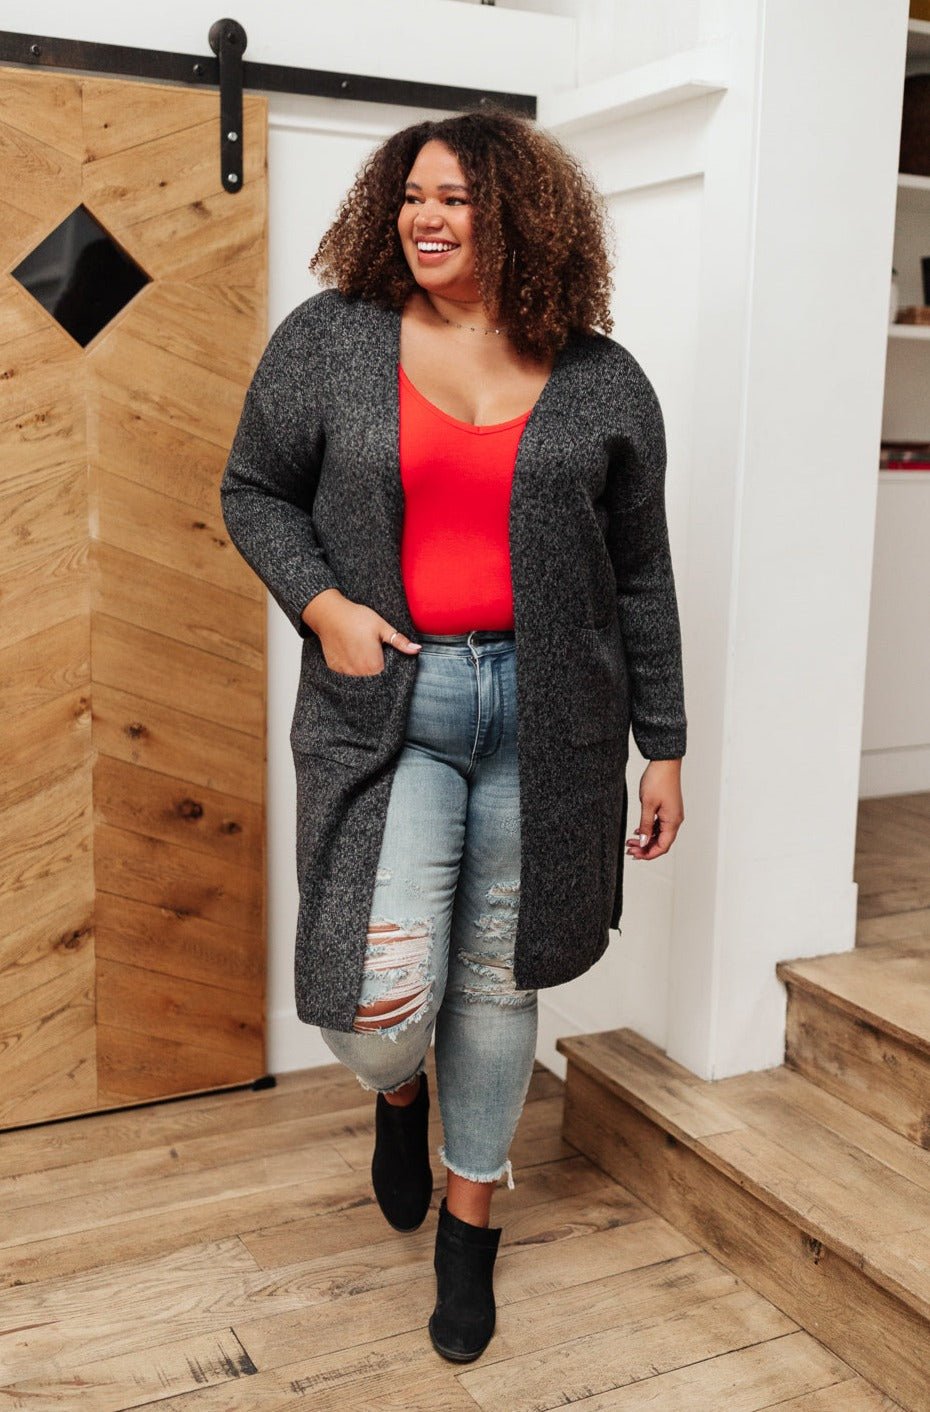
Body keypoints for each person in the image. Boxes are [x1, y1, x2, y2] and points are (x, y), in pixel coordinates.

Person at [221, 108, 686, 1363]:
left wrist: (665, 740)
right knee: (377, 1001)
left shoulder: (602, 379)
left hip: (555, 724)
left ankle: (470, 1221)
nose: (427, 218)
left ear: (519, 216)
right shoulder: (333, 339)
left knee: (496, 978)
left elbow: (639, 574)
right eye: (413, 194)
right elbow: (254, 488)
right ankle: (399, 1087)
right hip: (394, 712)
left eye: (457, 199)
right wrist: (326, 607)